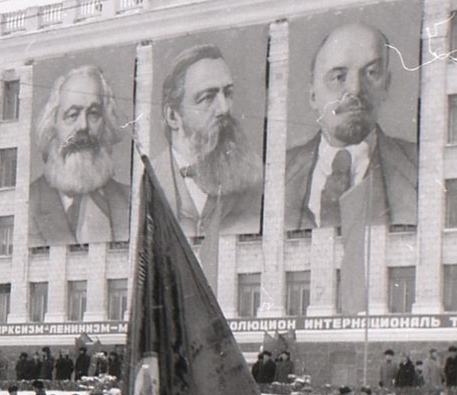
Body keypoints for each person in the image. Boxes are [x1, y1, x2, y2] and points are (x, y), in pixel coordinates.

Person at [283, 21, 419, 233]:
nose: (355, 89)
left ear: (386, 86)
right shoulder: (276, 174)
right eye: (338, 77)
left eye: (371, 73)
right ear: (312, 95)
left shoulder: (419, 166)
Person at [149, 43, 264, 245]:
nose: (224, 108)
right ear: (173, 116)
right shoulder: (148, 180)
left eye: (227, 94)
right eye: (207, 98)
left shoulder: (255, 176)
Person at [28, 65, 131, 246]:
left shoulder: (131, 200)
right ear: (53, 126)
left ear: (106, 123)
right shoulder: (29, 201)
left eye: (93, 114)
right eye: (72, 115)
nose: (83, 126)